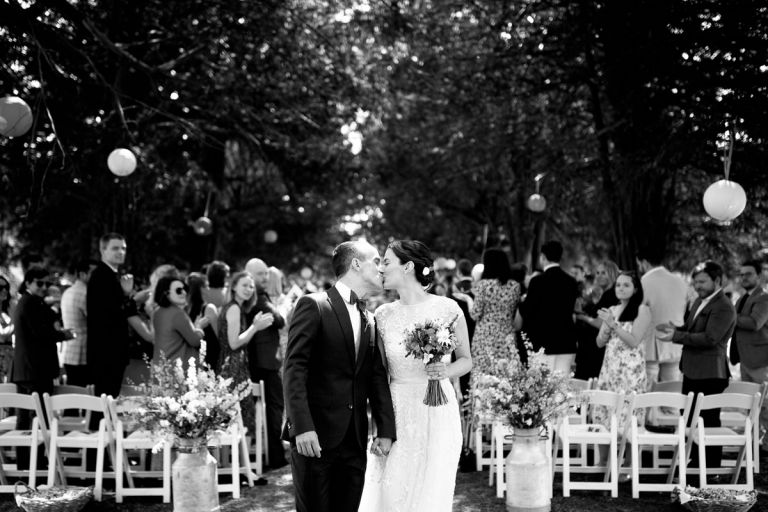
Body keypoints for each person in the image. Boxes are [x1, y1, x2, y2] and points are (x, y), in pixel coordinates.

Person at [358, 240, 472, 512]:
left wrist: (446, 369)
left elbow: (466, 360)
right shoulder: (382, 316)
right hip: (398, 410)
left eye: (386, 262)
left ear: (407, 266)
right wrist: (380, 425)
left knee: (432, 488)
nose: (381, 269)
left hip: (438, 410)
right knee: (392, 487)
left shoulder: (449, 308)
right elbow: (379, 374)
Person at [283, 240, 396, 512]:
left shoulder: (370, 318)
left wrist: (386, 429)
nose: (381, 269)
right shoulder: (314, 305)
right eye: (377, 261)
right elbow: (294, 368)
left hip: (355, 441)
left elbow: (375, 377)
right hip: (315, 438)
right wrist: (302, 427)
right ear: (356, 263)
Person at [658, 261, 736, 469]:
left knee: (708, 422)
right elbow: (692, 329)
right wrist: (676, 329)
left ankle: (710, 468)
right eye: (695, 282)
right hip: (692, 369)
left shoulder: (723, 306)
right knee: (689, 419)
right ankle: (693, 463)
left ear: (717, 280)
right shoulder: (698, 301)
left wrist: (677, 336)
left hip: (711, 373)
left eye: (702, 281)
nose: (697, 286)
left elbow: (710, 338)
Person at [12, 267, 75, 467]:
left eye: (47, 284)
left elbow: (46, 323)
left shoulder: (31, 302)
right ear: (28, 282)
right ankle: (32, 463)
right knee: (35, 418)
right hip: (34, 370)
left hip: (29, 369)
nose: (44, 288)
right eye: (40, 283)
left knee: (28, 418)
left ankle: (28, 462)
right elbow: (41, 333)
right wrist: (63, 335)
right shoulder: (30, 302)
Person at [218, 272, 274, 437]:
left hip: (232, 365)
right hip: (233, 369)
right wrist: (255, 327)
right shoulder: (234, 308)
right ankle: (243, 461)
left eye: (251, 286)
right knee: (241, 419)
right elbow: (233, 343)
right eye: (244, 285)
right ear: (234, 286)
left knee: (237, 420)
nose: (249, 289)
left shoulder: (235, 307)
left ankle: (241, 460)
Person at [244, 258, 288, 470]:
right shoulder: (259, 298)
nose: (265, 277)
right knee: (274, 409)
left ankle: (270, 453)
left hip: (260, 361)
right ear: (249, 274)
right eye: (261, 274)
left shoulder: (256, 297)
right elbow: (279, 320)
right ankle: (275, 456)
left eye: (266, 274)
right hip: (265, 363)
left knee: (270, 410)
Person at [593, 272, 650, 431]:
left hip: (630, 374)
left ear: (636, 289)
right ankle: (605, 457)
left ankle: (629, 456)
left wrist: (613, 325)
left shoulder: (642, 310)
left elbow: (633, 341)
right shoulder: (612, 309)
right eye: (618, 285)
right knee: (604, 418)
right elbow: (599, 343)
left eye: (626, 285)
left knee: (628, 422)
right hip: (610, 371)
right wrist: (605, 328)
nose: (621, 288)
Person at [520, 240, 580, 374]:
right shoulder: (571, 282)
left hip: (542, 341)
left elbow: (529, 312)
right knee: (561, 387)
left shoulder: (537, 281)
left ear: (543, 257)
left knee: (542, 388)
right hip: (566, 340)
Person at [729, 260, 768, 453]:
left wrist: (730, 315)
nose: (744, 277)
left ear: (759, 276)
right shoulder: (741, 299)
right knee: (750, 404)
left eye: (748, 274)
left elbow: (754, 323)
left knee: (766, 405)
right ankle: (754, 444)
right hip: (744, 359)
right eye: (742, 274)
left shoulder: (764, 298)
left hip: (761, 360)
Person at [87, 233, 132, 398]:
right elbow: (112, 314)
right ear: (103, 250)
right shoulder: (102, 276)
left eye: (123, 248)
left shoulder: (110, 275)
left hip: (110, 352)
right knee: (104, 401)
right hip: (107, 352)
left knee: (108, 400)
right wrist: (127, 295)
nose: (121, 252)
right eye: (115, 248)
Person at [637, 248, 688, 384]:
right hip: (675, 344)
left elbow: (637, 315)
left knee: (648, 394)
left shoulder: (644, 282)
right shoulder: (680, 282)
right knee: (671, 393)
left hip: (651, 346)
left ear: (644, 262)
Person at [469, 249, 521, 380]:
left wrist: (468, 300)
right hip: (506, 336)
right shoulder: (515, 286)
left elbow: (475, 314)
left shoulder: (483, 285)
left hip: (484, 338)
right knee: (505, 380)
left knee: (482, 379)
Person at [574, 260, 620, 380]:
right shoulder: (608, 294)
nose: (599, 276)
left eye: (603, 273)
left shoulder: (610, 295)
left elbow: (600, 323)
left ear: (612, 274)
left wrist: (581, 317)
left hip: (595, 350)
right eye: (597, 273)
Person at [152, 276, 207, 366]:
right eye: (179, 290)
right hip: (175, 369)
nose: (184, 293)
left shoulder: (158, 311)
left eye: (184, 289)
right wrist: (199, 327)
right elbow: (195, 341)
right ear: (166, 293)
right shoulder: (177, 314)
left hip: (160, 366)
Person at [60, 260, 97, 387]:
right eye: (94, 273)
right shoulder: (86, 293)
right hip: (83, 354)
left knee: (72, 398)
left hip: (70, 352)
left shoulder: (67, 292)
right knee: (89, 399)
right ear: (82, 274)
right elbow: (97, 322)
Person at [186, 272, 219, 369]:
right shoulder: (209, 308)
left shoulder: (186, 310)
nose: (209, 289)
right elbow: (219, 336)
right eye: (207, 286)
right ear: (202, 289)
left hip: (192, 360)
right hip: (210, 359)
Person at [0, 275, 15, 382]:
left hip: (9, 354)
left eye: (6, 287)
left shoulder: (10, 308)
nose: (4, 290)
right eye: (0, 288)